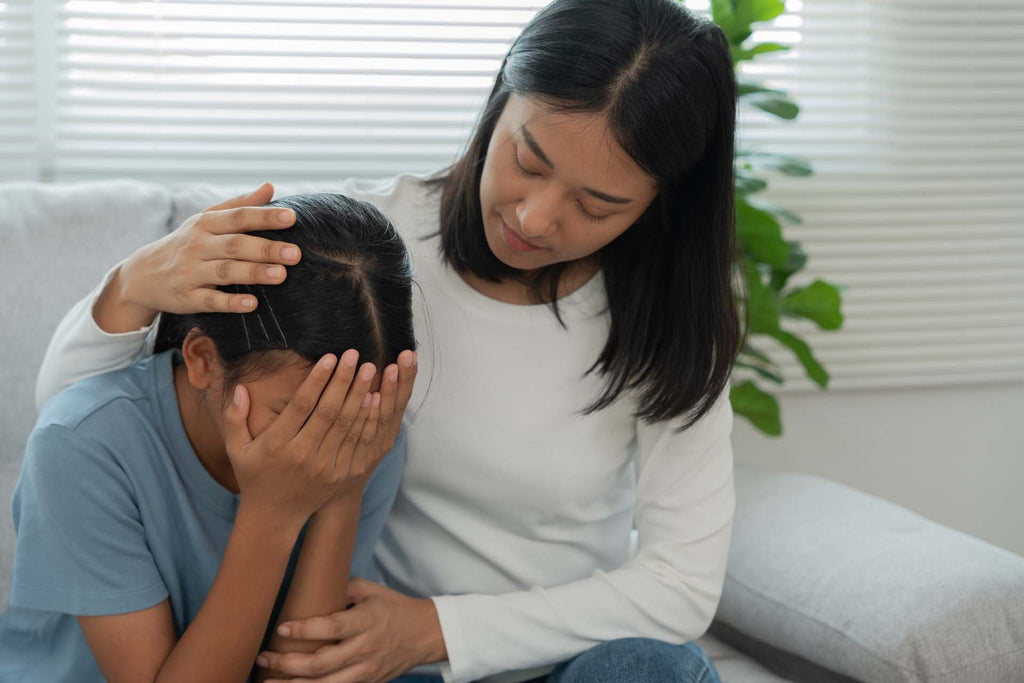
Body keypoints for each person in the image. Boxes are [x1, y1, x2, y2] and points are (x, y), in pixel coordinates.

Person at [33, 0, 743, 681]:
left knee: (654, 669)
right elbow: (81, 420)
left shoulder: (669, 321)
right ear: (501, 100)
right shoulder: (363, 248)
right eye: (527, 161)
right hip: (382, 663)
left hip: (556, 659)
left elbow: (681, 584)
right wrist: (128, 287)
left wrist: (439, 628)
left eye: (597, 205)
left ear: (660, 202)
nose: (536, 216)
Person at [2, 193, 418, 682]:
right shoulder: (82, 445)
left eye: (347, 415)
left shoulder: (363, 432)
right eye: (294, 413)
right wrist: (272, 513)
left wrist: (344, 491)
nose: (323, 445)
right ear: (202, 360)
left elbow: (301, 674)